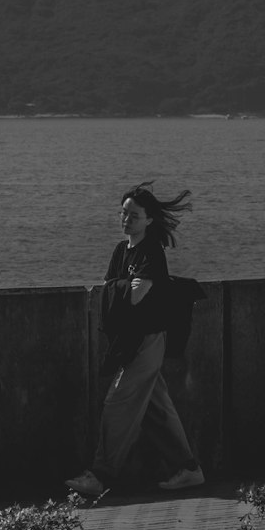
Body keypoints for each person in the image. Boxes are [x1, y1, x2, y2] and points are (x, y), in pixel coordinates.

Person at [66, 183, 205, 498]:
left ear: (149, 220)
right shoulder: (121, 250)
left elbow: (134, 295)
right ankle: (188, 469)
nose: (126, 219)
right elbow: (118, 290)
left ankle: (99, 476)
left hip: (147, 339)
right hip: (128, 341)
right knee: (157, 410)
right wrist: (122, 287)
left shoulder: (150, 251)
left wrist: (118, 287)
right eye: (123, 213)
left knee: (118, 404)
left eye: (134, 215)